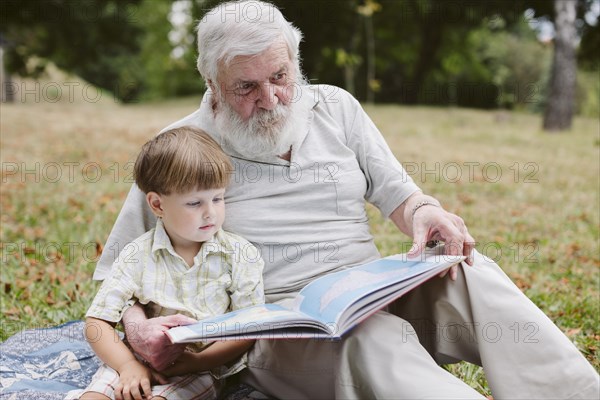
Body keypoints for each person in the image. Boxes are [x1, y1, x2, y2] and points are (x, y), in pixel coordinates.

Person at [95, 1, 600, 399]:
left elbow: (399, 193)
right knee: (372, 341)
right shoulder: (181, 149)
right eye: (246, 87)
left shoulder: (336, 107)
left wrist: (428, 214)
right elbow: (122, 269)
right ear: (212, 84)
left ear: (295, 62)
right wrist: (141, 333)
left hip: (367, 289)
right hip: (280, 330)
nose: (270, 99)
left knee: (469, 271)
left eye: (280, 77)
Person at [78, 127, 265, 400]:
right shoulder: (137, 254)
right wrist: (127, 365)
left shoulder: (238, 255)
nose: (210, 212)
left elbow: (248, 328)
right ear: (157, 204)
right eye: (194, 203)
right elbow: (97, 322)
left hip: (198, 367)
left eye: (217, 198)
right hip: (134, 358)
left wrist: (200, 362)